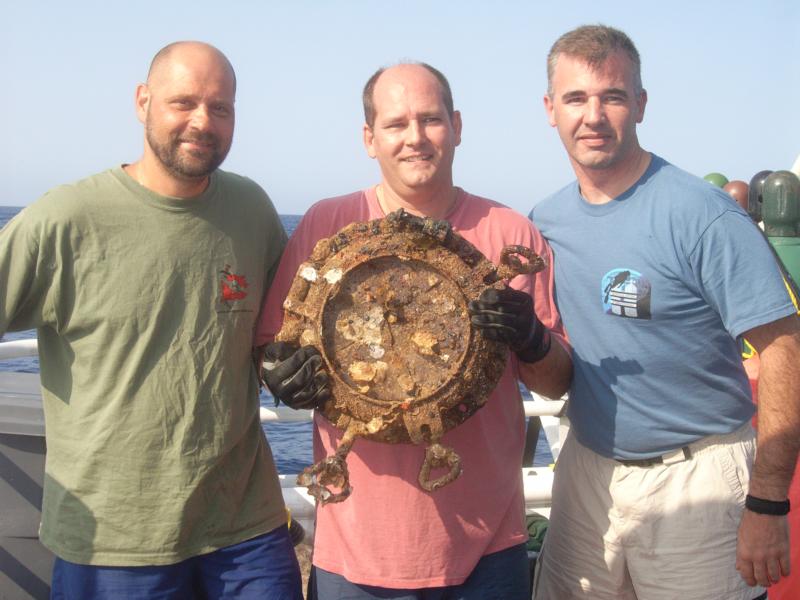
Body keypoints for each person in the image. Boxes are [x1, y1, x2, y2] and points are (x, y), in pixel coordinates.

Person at [255, 62, 572, 599]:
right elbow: (272, 346)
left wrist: (532, 338)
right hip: (356, 549)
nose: (415, 138)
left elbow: (557, 382)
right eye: (396, 123)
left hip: (487, 549)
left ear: (458, 126)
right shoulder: (324, 224)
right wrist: (279, 374)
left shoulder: (509, 232)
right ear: (369, 138)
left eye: (431, 119)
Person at [0, 42, 302, 599]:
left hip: (248, 529)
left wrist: (285, 364)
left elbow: (276, 334)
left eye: (220, 108)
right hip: (116, 541)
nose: (202, 122)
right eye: (182, 102)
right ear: (143, 102)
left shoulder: (252, 210)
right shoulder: (65, 219)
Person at [530, 24, 800, 600]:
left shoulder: (702, 216)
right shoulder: (545, 222)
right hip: (587, 475)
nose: (594, 115)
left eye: (614, 96)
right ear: (551, 110)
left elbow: (785, 352)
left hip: (697, 481)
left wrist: (769, 501)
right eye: (576, 98)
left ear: (642, 105)